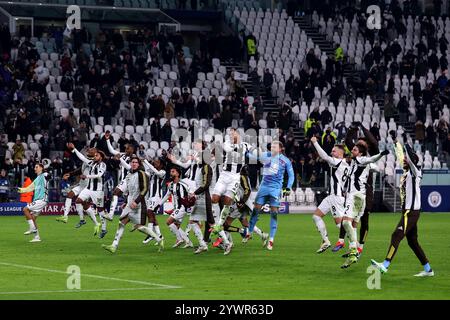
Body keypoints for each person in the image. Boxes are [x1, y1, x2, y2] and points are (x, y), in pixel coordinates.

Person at [371, 141, 434, 277]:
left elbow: (409, 157)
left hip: (411, 212)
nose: (403, 160)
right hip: (409, 212)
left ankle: (385, 265)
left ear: (412, 161)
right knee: (412, 242)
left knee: (396, 235)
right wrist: (396, 143)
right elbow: (401, 157)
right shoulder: (408, 172)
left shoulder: (415, 171)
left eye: (406, 158)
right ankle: (428, 269)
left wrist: (406, 145)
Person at [340, 143, 388, 269]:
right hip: (361, 197)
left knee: (345, 223)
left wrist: (381, 154)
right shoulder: (357, 162)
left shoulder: (360, 159)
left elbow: (371, 159)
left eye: (354, 149)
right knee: (354, 225)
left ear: (360, 153)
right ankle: (354, 252)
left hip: (355, 196)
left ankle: (354, 251)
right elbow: (375, 167)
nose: (352, 150)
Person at [102, 156, 164, 253]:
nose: (134, 163)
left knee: (139, 227)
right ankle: (114, 245)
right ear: (130, 163)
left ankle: (159, 239)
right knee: (121, 222)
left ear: (139, 164)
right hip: (130, 203)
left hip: (140, 204)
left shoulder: (142, 174)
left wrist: (137, 201)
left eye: (136, 162)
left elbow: (145, 189)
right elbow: (129, 191)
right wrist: (126, 201)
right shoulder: (130, 175)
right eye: (132, 162)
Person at [245, 141, 295, 250]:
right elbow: (253, 157)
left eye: (274, 146)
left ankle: (271, 239)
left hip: (275, 189)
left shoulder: (285, 161)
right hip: (263, 187)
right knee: (255, 210)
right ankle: (249, 232)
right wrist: (245, 153)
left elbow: (291, 175)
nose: (272, 148)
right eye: (271, 146)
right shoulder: (266, 155)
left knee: (274, 214)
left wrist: (288, 187)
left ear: (281, 149)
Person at [210, 129, 251, 255]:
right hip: (224, 175)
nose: (231, 135)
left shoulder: (245, 145)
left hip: (235, 177)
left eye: (234, 133)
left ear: (238, 134)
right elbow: (228, 149)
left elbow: (251, 152)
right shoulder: (227, 143)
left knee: (227, 201)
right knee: (214, 199)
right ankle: (221, 228)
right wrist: (234, 142)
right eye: (230, 134)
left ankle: (220, 227)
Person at [311, 136, 349, 253]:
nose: (332, 152)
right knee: (316, 216)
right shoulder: (345, 164)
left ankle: (355, 245)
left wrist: (315, 143)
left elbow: (324, 157)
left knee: (340, 225)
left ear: (340, 153)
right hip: (332, 196)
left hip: (336, 198)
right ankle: (326, 241)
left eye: (334, 150)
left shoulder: (338, 162)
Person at [67, 143, 107, 238]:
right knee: (78, 200)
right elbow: (82, 157)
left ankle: (104, 229)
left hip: (98, 191)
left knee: (100, 211)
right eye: (95, 155)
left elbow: (99, 175)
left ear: (100, 157)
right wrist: (74, 149)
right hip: (89, 189)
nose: (95, 157)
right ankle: (86, 219)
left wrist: (86, 176)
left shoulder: (103, 165)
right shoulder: (91, 163)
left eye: (97, 155)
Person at [55, 147, 96, 227]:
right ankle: (65, 216)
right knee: (70, 194)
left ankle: (95, 223)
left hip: (88, 187)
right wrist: (69, 174)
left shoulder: (92, 162)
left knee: (85, 205)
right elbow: (80, 170)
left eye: (91, 150)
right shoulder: (86, 161)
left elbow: (81, 157)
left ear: (94, 154)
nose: (88, 150)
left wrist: (74, 149)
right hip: (81, 185)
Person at [160, 167, 193, 249]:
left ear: (178, 174)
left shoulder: (183, 184)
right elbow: (167, 195)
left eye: (173, 172)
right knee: (176, 226)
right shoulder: (170, 185)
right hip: (177, 208)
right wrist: (159, 204)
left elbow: (191, 194)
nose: (171, 173)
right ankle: (188, 242)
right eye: (171, 171)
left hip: (182, 207)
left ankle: (179, 239)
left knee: (169, 222)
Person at [18, 162, 52, 243]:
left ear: (41, 168)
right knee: (32, 218)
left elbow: (48, 176)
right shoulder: (36, 179)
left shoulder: (44, 175)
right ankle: (37, 237)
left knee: (25, 209)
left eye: (36, 167)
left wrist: (48, 173)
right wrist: (20, 190)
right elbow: (29, 189)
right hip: (39, 200)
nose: (35, 169)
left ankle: (32, 228)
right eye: (35, 167)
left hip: (42, 199)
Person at [106, 137, 136, 219]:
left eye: (128, 148)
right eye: (126, 148)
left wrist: (120, 160)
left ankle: (112, 214)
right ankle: (111, 214)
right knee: (118, 194)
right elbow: (112, 151)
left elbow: (130, 168)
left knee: (117, 194)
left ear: (132, 150)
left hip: (131, 180)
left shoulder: (134, 158)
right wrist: (107, 140)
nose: (126, 149)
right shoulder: (122, 155)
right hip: (124, 180)